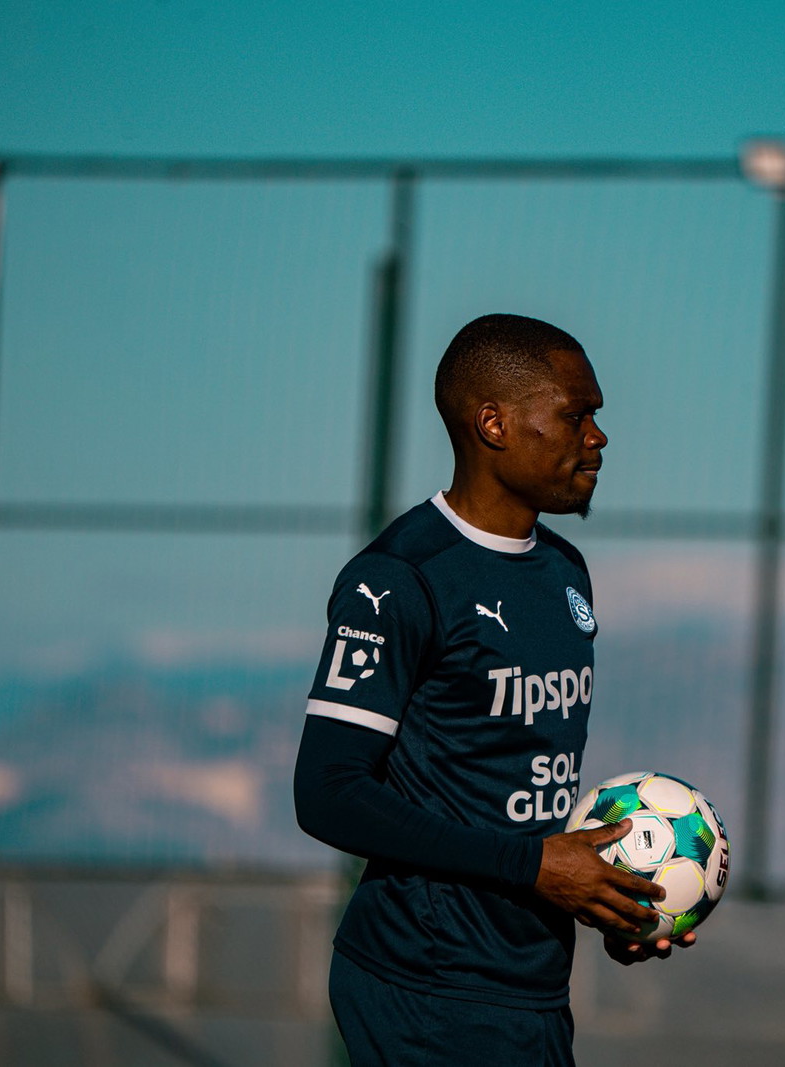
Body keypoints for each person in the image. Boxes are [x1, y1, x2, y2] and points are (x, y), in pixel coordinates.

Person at [294, 313, 693, 1065]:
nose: (598, 437)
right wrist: (534, 866)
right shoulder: (399, 579)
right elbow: (327, 792)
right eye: (576, 415)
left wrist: (609, 899)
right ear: (494, 424)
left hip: (532, 986)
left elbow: (518, 791)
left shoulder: (565, 571)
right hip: (424, 984)